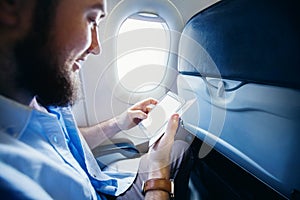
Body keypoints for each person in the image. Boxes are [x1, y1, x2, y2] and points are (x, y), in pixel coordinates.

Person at [0, 0, 193, 199]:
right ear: (12, 5)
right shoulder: (9, 181)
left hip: (97, 184)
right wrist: (157, 175)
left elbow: (65, 143)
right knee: (175, 154)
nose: (96, 47)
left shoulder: (37, 92)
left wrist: (119, 122)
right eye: (91, 19)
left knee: (178, 148)